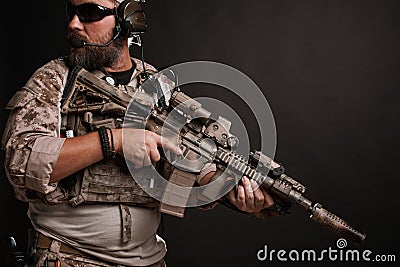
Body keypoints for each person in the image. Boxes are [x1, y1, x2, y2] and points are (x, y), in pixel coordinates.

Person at [1, 0, 275, 266]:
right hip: (68, 258)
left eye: (88, 13)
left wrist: (231, 190)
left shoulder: (157, 88)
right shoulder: (55, 80)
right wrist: (113, 140)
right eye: (71, 12)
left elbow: (183, 165)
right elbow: (21, 163)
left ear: (127, 19)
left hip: (149, 260)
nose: (74, 23)